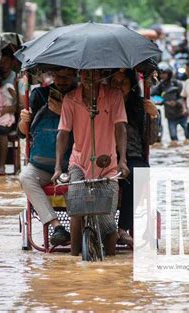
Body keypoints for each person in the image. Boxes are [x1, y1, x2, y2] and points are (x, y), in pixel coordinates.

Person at [53, 69, 130, 256]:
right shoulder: (70, 99)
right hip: (79, 163)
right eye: (85, 73)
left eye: (94, 73)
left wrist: (122, 160)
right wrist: (57, 167)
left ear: (102, 74)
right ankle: (74, 258)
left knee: (109, 223)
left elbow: (121, 128)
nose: (89, 77)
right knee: (77, 210)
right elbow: (63, 133)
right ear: (80, 74)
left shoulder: (114, 96)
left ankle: (111, 262)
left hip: (108, 166)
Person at [18, 68, 77, 246]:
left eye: (67, 76)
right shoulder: (39, 95)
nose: (62, 80)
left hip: (73, 163)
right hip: (41, 164)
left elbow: (87, 134)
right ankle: (57, 225)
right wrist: (24, 120)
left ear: (75, 76)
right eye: (59, 76)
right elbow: (23, 133)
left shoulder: (82, 97)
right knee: (25, 177)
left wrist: (63, 114)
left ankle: (79, 228)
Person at [110, 69, 153, 247]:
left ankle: (123, 228)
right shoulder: (102, 102)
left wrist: (153, 116)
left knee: (138, 174)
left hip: (133, 156)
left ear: (132, 85)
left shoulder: (140, 107)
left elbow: (150, 139)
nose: (119, 87)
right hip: (107, 154)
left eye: (124, 83)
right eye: (115, 82)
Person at [0, 48, 21, 175]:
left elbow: (19, 104)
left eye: (5, 62)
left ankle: (1, 166)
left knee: (1, 131)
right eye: (1, 62)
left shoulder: (16, 79)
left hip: (9, 116)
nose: (3, 65)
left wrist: (6, 110)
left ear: (12, 62)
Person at [152, 66, 188, 147]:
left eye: (165, 73)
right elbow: (153, 96)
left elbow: (183, 97)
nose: (162, 75)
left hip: (181, 114)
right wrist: (164, 102)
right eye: (161, 74)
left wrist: (176, 103)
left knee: (188, 135)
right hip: (170, 116)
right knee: (173, 137)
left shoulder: (177, 84)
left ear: (169, 74)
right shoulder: (161, 85)